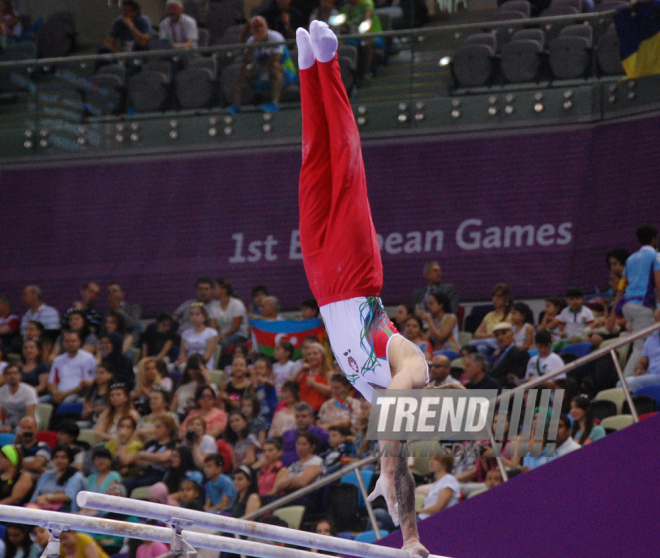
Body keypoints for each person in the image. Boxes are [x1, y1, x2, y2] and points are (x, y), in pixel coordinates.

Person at [611, 225, 660, 376]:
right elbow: (658, 283)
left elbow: (621, 286)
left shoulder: (630, 259)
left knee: (645, 343)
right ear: (654, 239)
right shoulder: (656, 256)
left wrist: (613, 314)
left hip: (627, 306)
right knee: (641, 346)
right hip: (642, 307)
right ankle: (624, 383)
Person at [226, 16, 290, 114]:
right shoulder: (251, 41)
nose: (259, 29)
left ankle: (274, 104)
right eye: (255, 27)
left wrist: (257, 66)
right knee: (243, 71)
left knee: (275, 67)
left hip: (286, 73)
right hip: (262, 73)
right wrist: (252, 47)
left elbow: (276, 59)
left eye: (261, 26)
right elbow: (245, 61)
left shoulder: (275, 37)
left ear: (267, 26)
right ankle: (236, 106)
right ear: (252, 30)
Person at [125, 415, 178, 492]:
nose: (155, 430)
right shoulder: (151, 444)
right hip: (144, 473)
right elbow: (138, 459)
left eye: (159, 427)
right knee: (126, 483)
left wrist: (145, 456)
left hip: (158, 476)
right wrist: (155, 461)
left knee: (134, 486)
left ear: (168, 430)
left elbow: (163, 457)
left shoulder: (172, 444)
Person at [29, 445, 85, 512]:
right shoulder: (46, 474)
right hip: (41, 507)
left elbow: (70, 496)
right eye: (56, 457)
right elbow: (37, 493)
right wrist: (40, 499)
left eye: (63, 457)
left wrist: (47, 497)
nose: (59, 460)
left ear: (70, 460)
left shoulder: (76, 476)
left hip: (63, 511)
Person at [48, 330, 97, 405]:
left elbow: (86, 383)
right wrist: (55, 394)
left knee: (66, 403)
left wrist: (64, 394)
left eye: (73, 341)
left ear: (79, 342)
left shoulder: (88, 358)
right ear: (63, 343)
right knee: (40, 402)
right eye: (67, 341)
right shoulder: (58, 360)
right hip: (58, 394)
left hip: (77, 394)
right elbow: (51, 382)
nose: (70, 344)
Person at [206, 278, 249, 353]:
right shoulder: (213, 305)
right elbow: (213, 326)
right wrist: (216, 337)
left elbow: (235, 326)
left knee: (222, 344)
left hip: (238, 335)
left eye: (215, 288)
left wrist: (222, 336)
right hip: (221, 336)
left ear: (224, 290)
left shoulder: (237, 303)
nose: (213, 291)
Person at [416, 291, 460, 360]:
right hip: (437, 351)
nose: (428, 306)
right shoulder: (434, 321)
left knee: (426, 357)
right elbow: (425, 339)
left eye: (431, 303)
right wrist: (418, 323)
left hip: (451, 350)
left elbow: (441, 337)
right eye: (428, 304)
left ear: (440, 305)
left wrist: (429, 321)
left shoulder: (450, 317)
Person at [417, 452, 459, 519]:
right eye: (430, 459)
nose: (430, 462)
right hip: (422, 518)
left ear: (444, 464)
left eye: (435, 460)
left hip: (431, 520)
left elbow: (438, 508)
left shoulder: (449, 480)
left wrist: (416, 511)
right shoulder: (436, 483)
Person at [176, 303, 218, 370]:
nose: (194, 317)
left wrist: (190, 362)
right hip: (186, 363)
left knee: (184, 367)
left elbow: (207, 356)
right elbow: (182, 353)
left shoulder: (211, 333)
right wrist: (181, 360)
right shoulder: (185, 334)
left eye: (197, 314)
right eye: (191, 314)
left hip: (203, 364)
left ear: (204, 317)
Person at [488, 322, 530, 388]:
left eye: (504, 333)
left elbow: (516, 378)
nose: (500, 338)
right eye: (497, 335)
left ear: (512, 334)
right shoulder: (497, 356)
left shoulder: (520, 353)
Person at [293, 341, 331, 412]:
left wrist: (314, 385)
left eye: (315, 354)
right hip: (303, 412)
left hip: (321, 411)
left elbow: (332, 391)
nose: (311, 357)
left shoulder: (328, 373)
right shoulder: (304, 373)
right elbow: (290, 383)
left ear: (322, 356)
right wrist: (300, 370)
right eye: (309, 354)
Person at [171, 354, 212, 418]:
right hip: (179, 415)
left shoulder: (210, 386)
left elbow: (210, 403)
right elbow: (172, 408)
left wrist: (207, 379)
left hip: (197, 417)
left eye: (195, 369)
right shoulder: (182, 387)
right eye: (190, 369)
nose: (192, 372)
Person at [0, 363, 38, 432]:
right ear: (4, 376)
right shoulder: (1, 392)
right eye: (8, 374)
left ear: (19, 375)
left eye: (15, 373)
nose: (12, 376)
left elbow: (30, 416)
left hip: (29, 423)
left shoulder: (29, 391)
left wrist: (12, 427)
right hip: (9, 423)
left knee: (19, 430)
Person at [252, 357, 277, 423]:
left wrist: (264, 380)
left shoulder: (269, 381)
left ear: (268, 370)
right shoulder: (254, 384)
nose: (257, 370)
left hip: (270, 413)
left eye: (261, 368)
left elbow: (272, 384)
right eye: (255, 368)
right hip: (259, 414)